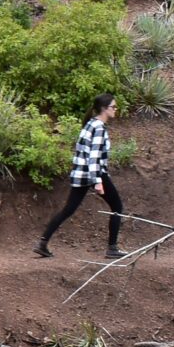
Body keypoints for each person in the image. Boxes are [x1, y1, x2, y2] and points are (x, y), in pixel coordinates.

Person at [36, 94, 125, 260]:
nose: (115, 110)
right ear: (105, 108)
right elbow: (93, 157)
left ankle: (42, 242)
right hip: (93, 173)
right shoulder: (98, 127)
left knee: (68, 209)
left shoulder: (90, 124)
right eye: (113, 107)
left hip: (80, 174)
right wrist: (97, 181)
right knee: (117, 207)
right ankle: (112, 248)